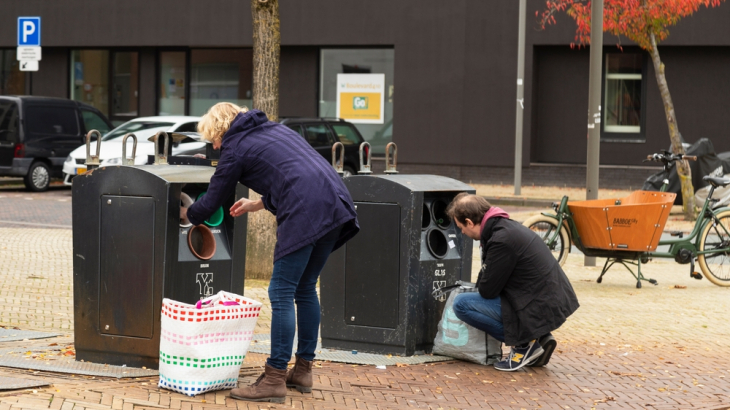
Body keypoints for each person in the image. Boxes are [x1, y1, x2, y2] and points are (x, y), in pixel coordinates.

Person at [181, 103, 359, 403]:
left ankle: (274, 378)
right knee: (304, 289)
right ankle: (302, 370)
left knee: (280, 292)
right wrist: (257, 204)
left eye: (212, 137)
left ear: (220, 130)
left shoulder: (234, 147)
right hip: (336, 203)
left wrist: (189, 214)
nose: (213, 145)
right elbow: (294, 172)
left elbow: (213, 198)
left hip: (306, 211)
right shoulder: (274, 129)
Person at [446, 193, 579, 371]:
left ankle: (524, 344)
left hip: (540, 305)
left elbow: (487, 290)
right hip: (547, 301)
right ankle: (538, 337)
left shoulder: (501, 240)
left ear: (470, 222)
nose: (462, 232)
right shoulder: (505, 227)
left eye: (461, 227)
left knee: (461, 304)